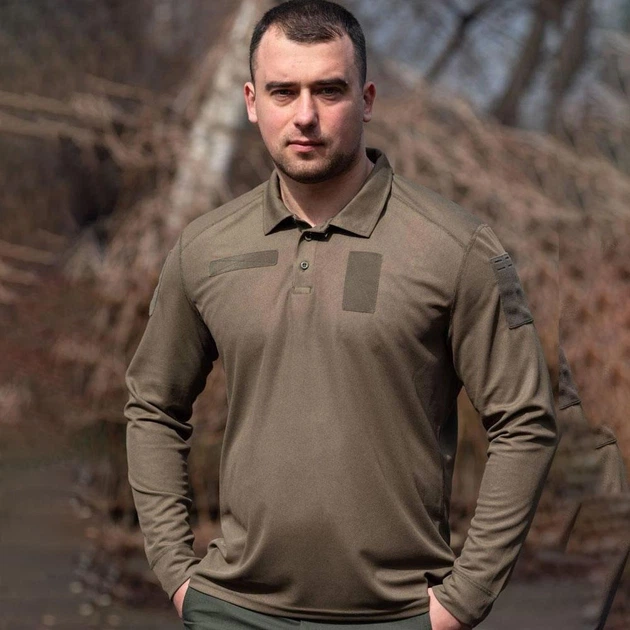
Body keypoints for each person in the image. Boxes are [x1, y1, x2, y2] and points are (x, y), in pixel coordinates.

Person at [125, 1, 558, 628]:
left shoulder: (455, 248)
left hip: (397, 616)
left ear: (367, 99)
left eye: (329, 90)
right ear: (251, 101)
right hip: (233, 611)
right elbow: (153, 405)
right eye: (283, 91)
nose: (305, 115)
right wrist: (177, 575)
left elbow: (525, 421)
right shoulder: (206, 247)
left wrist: (462, 602)